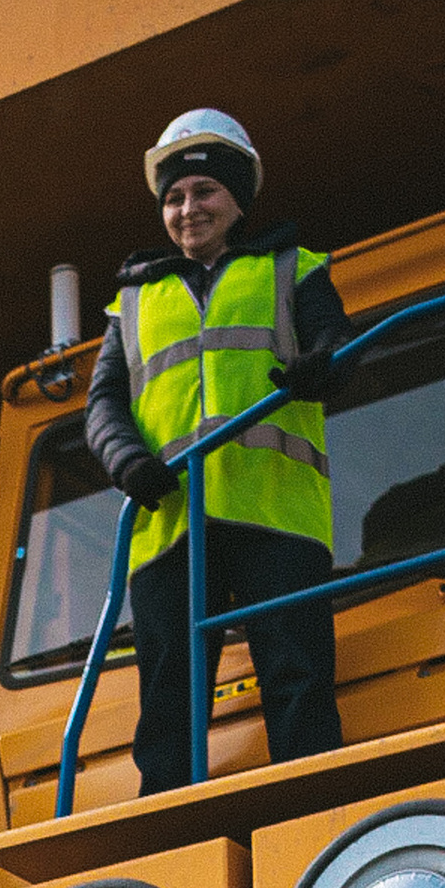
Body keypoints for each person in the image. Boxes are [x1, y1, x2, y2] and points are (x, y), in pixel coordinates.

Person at [81, 109, 347, 797]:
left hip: (274, 514)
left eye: (203, 192)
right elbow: (103, 405)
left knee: (299, 680)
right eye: (173, 198)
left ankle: (314, 819)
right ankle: (167, 847)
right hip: (171, 528)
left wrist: (321, 365)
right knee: (168, 706)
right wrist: (127, 461)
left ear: (237, 199)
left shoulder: (295, 268)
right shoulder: (131, 303)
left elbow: (336, 346)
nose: (187, 209)